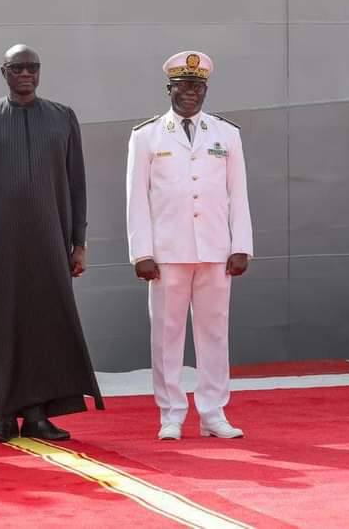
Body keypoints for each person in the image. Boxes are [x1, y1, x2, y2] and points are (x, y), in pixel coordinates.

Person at [0, 44, 104, 443]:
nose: (25, 73)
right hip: (0, 246)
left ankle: (37, 416)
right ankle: (4, 416)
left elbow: (77, 186)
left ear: (39, 72)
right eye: (17, 67)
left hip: (51, 243)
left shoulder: (62, 119)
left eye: (32, 67)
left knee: (45, 326)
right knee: (1, 327)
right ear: (3, 71)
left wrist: (78, 242)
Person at [126, 51, 253, 441]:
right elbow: (136, 198)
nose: (189, 94)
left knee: (215, 334)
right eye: (182, 86)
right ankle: (171, 413)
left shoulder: (226, 134)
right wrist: (141, 253)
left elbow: (238, 193)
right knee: (166, 335)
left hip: (216, 249)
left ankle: (214, 412)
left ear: (205, 90)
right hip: (167, 254)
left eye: (196, 87)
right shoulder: (146, 135)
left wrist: (241, 245)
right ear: (170, 88)